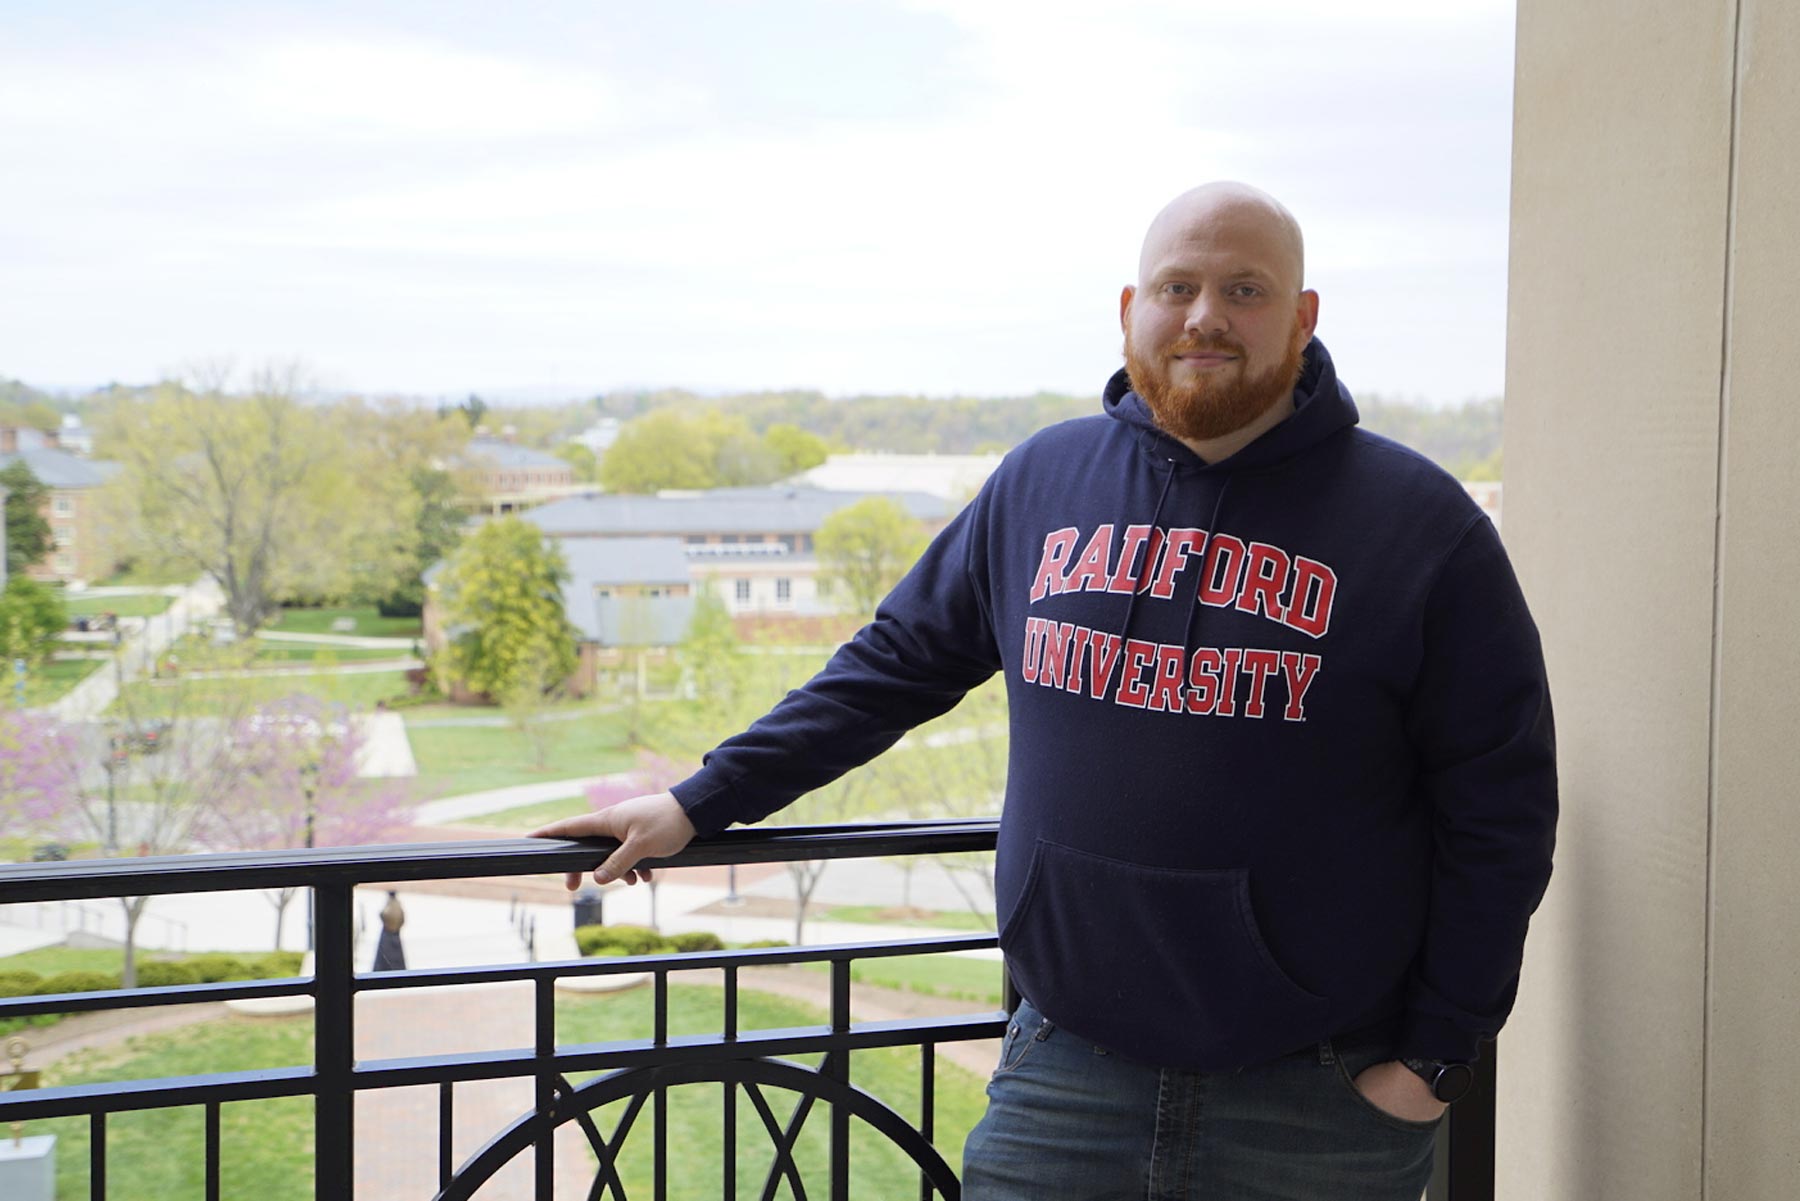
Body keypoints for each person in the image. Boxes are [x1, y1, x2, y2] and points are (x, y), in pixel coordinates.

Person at [532, 181, 1557, 1200]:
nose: (1205, 315)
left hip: (1319, 1100)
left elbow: (1500, 811)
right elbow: (896, 663)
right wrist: (699, 800)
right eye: (1178, 285)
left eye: (1245, 290)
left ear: (1303, 316)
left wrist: (1436, 1059)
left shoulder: (1422, 527)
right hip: (1065, 1077)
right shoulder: (1041, 482)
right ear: (1129, 311)